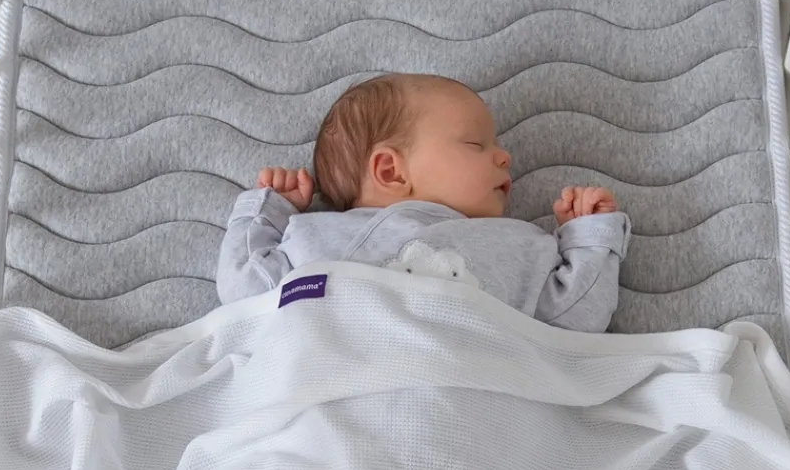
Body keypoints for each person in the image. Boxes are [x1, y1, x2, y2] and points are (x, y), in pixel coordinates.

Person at [216, 73, 630, 332]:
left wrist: (587, 238)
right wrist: (270, 211)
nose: (505, 157)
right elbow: (245, 289)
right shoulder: (317, 236)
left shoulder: (515, 243)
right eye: (476, 144)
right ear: (391, 171)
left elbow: (574, 319)